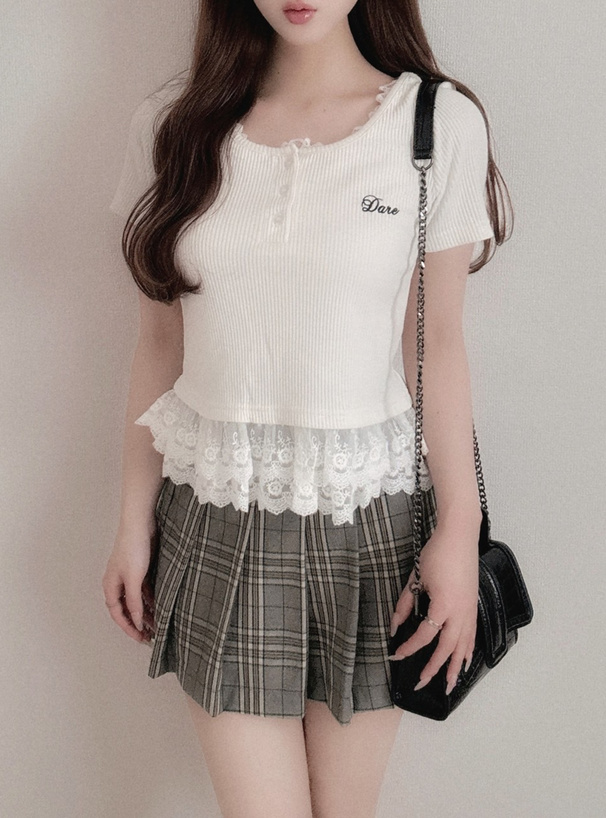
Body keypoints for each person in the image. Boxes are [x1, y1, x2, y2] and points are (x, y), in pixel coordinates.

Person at [102, 1, 512, 815]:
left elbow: (438, 344)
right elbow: (158, 343)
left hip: (374, 526)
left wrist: (459, 531)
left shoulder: (435, 125)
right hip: (216, 519)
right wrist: (132, 524)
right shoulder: (173, 125)